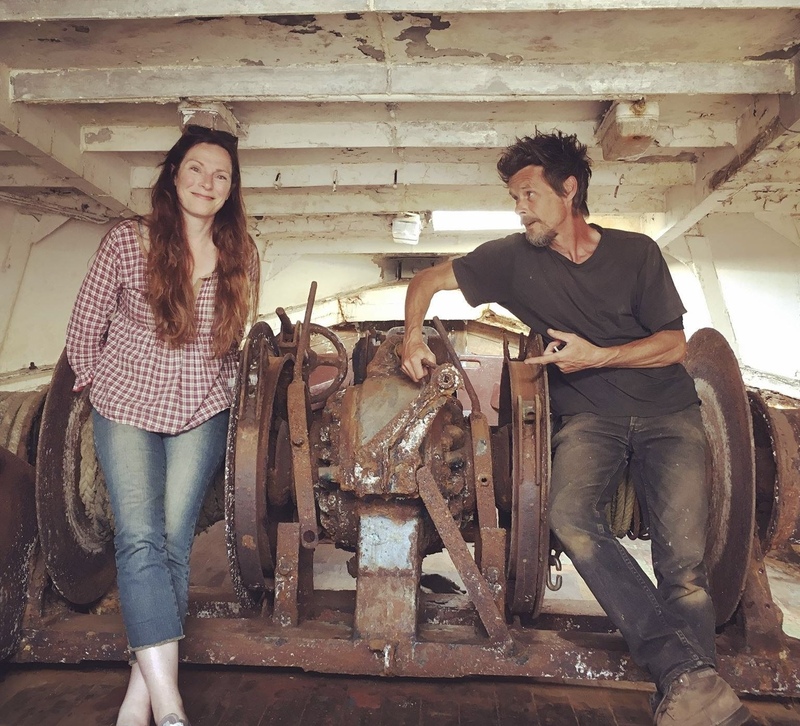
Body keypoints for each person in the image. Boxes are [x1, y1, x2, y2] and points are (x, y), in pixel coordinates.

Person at [401, 131, 749, 726]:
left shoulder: (637, 253)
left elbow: (674, 345)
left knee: (685, 570)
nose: (520, 208)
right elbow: (427, 281)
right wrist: (412, 337)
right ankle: (691, 681)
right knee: (569, 517)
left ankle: (693, 699)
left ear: (569, 190)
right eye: (515, 197)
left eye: (530, 194)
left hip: (670, 413)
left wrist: (596, 356)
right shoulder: (512, 259)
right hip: (589, 419)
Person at [66, 124, 260, 726]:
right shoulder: (129, 241)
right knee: (140, 539)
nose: (207, 182)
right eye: (196, 169)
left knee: (174, 545)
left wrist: (225, 393)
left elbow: (234, 343)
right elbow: (82, 331)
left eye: (220, 175)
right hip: (126, 407)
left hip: (200, 411)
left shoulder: (240, 253)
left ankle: (139, 696)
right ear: (174, 175)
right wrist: (102, 385)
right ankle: (171, 707)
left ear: (230, 191)